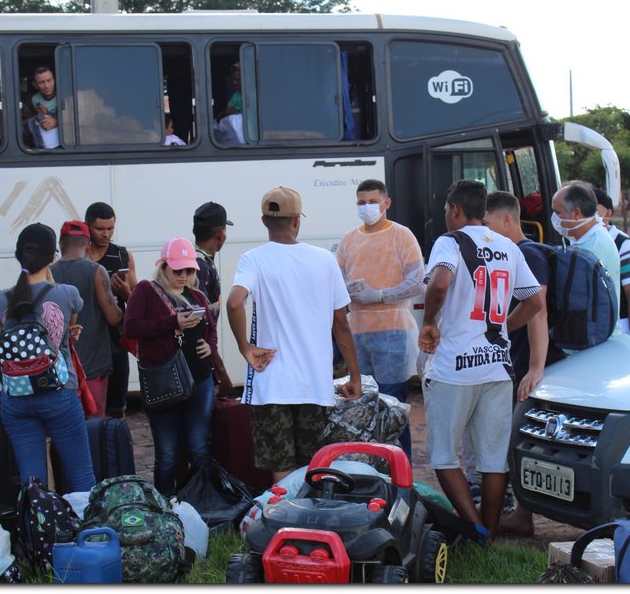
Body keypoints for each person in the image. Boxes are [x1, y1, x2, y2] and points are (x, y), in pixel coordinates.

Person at [418, 179, 542, 541]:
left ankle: (473, 530)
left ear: (455, 210)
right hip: (497, 366)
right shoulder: (507, 246)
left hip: (454, 367)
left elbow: (439, 283)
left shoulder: (450, 241)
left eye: (446, 211)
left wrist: (428, 323)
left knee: (443, 454)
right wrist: (504, 326)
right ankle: (487, 531)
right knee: (492, 459)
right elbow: (533, 301)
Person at [226, 186, 362, 483]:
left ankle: (285, 522)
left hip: (271, 382)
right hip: (314, 383)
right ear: (298, 221)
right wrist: (354, 376)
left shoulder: (253, 259)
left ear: (264, 222)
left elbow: (235, 301)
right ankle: (310, 526)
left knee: (282, 471)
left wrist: (246, 348)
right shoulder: (324, 260)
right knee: (313, 468)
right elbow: (341, 324)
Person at [483, 191, 567, 537]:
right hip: (521, 357)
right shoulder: (525, 252)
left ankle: (522, 515)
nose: (485, 232)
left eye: (487, 224)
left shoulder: (525, 254)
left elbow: (538, 310)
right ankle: (521, 513)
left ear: (506, 220)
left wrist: (535, 367)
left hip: (527, 362)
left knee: (517, 437)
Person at [0, 223, 95, 492]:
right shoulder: (66, 293)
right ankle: (88, 532)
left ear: (18, 255)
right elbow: (64, 338)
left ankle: (39, 531)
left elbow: (3, 340)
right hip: (58, 392)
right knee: (81, 476)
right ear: (53, 257)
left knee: (32, 482)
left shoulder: (1, 300)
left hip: (16, 397)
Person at [336, 179, 424, 462]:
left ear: (387, 203)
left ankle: (401, 469)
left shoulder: (401, 236)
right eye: (361, 202)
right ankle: (371, 469)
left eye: (372, 201)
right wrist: (346, 292)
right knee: (360, 405)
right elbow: (336, 280)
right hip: (357, 330)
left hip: (393, 331)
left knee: (392, 406)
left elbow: (417, 282)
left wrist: (381, 295)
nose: (366, 207)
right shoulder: (349, 239)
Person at [123, 237, 216, 495]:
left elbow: (211, 327)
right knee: (167, 453)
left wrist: (211, 346)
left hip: (199, 378)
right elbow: (130, 327)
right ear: (163, 267)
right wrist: (171, 322)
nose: (184, 276)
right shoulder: (146, 291)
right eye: (178, 270)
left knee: (199, 448)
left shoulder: (196, 295)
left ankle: (202, 502)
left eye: (189, 270)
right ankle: (163, 504)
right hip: (163, 380)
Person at [51, 220, 122, 416]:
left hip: (59, 367)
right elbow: (113, 318)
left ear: (61, 244)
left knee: (64, 426)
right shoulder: (96, 271)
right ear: (88, 244)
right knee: (93, 425)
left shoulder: (49, 273)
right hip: (93, 366)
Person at [85, 202, 137, 419]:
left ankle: (115, 449)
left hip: (116, 341)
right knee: (90, 409)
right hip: (87, 342)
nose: (106, 234)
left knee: (117, 409)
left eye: (110, 229)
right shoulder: (79, 256)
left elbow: (139, 300)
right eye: (100, 229)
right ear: (88, 227)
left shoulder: (122, 255)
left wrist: (126, 293)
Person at [550, 180, 621, 313]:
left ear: (577, 213)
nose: (554, 218)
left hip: (594, 331)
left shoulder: (592, 249)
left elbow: (575, 297)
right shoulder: (589, 238)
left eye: (558, 213)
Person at [192, 201, 234, 396]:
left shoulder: (188, 261)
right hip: (199, 362)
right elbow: (202, 326)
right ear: (220, 235)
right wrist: (221, 370)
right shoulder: (203, 268)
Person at [593, 188, 630, 332]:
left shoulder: (624, 246)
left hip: (620, 329)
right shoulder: (581, 242)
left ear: (608, 213)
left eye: (593, 209)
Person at [28, 66, 60, 149]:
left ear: (55, 80)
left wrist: (57, 122)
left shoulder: (65, 94)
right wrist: (42, 114)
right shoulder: (35, 99)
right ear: (35, 85)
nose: (46, 86)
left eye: (49, 80)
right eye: (41, 82)